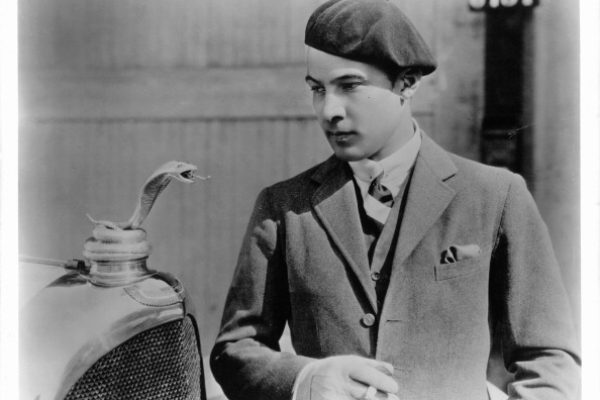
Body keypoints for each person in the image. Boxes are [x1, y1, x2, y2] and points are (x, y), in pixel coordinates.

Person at [210, 1, 580, 399]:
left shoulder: (496, 196)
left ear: (406, 84)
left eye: (349, 86)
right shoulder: (284, 208)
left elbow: (549, 360)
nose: (329, 110)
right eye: (317, 89)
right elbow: (235, 351)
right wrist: (305, 380)